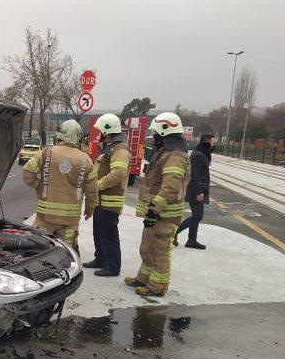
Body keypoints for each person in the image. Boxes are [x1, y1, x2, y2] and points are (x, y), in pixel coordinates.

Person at [125, 112, 190, 297]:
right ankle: (143, 278)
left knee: (160, 251)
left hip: (164, 215)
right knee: (147, 248)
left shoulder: (175, 156)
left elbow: (170, 187)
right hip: (157, 213)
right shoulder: (166, 153)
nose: (154, 138)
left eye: (156, 135)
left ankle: (157, 287)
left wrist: (154, 210)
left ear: (165, 133)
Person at [23, 119, 98, 253]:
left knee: (40, 251)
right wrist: (90, 208)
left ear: (60, 134)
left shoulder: (46, 153)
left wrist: (40, 187)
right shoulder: (86, 159)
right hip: (70, 218)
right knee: (68, 252)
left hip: (45, 216)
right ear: (78, 137)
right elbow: (92, 191)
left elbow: (28, 173)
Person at [82, 114, 131, 277]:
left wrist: (97, 185)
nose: (99, 134)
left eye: (101, 131)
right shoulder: (110, 148)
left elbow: (118, 173)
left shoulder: (120, 149)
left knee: (109, 235)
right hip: (101, 201)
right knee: (99, 233)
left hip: (110, 203)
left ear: (107, 131)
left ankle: (112, 266)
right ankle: (100, 259)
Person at [173, 134, 214, 249]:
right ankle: (174, 232)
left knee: (196, 215)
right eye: (212, 142)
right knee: (197, 216)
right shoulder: (198, 156)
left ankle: (192, 240)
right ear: (207, 143)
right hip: (196, 189)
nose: (213, 144)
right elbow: (194, 175)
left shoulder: (201, 153)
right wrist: (198, 192)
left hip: (198, 188)